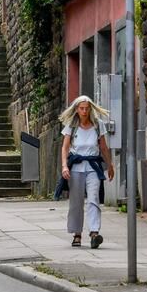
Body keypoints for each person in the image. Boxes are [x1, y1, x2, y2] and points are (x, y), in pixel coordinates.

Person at [58, 95, 114, 248]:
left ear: (90, 109)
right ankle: (77, 233)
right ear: (77, 109)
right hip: (76, 167)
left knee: (93, 198)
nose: (84, 111)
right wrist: (64, 166)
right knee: (76, 201)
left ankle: (94, 232)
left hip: (93, 167)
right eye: (81, 108)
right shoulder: (72, 125)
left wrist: (110, 165)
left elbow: (103, 147)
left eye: (86, 108)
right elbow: (65, 147)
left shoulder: (98, 124)